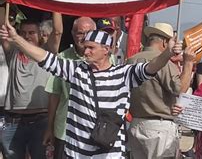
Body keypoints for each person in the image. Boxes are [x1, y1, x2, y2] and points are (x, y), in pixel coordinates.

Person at [0, 24, 179, 158]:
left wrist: (167, 53)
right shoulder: (76, 69)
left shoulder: (124, 73)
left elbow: (151, 67)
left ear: (106, 50)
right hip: (77, 153)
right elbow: (44, 58)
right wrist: (16, 39)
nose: (85, 51)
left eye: (91, 47)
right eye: (85, 47)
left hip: (110, 154)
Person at [126, 22, 195, 159]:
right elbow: (180, 89)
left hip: (136, 123)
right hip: (159, 128)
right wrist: (188, 63)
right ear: (165, 42)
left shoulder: (130, 61)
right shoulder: (163, 63)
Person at [1, 12, 62, 159]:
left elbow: (58, 31)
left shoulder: (47, 53)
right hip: (12, 121)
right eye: (23, 33)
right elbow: (3, 27)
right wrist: (3, 0)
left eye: (32, 33)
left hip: (41, 121)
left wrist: (56, 4)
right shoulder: (13, 52)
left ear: (41, 34)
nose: (27, 36)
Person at [42, 17, 96, 159]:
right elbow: (54, 96)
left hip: (94, 132)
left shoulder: (108, 59)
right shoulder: (62, 58)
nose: (84, 37)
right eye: (80, 33)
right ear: (72, 34)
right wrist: (49, 127)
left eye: (89, 33)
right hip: (65, 131)